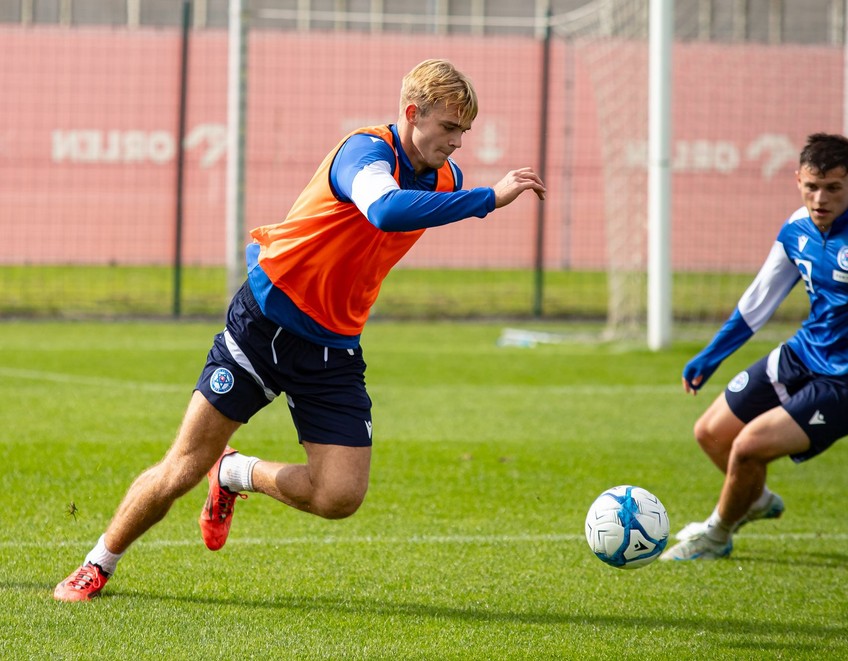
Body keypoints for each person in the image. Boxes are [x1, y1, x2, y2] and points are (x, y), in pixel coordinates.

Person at [54, 58, 546, 600]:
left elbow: (409, 211)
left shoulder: (446, 178)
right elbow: (383, 210)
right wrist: (487, 199)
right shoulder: (363, 152)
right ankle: (98, 563)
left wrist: (470, 196)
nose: (457, 144)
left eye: (464, 132)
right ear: (412, 114)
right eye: (449, 128)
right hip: (263, 325)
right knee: (182, 467)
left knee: (340, 496)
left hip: (333, 346)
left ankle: (237, 474)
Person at [660, 133, 848, 561]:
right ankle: (756, 501)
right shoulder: (797, 228)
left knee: (747, 447)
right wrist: (713, 354)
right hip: (804, 354)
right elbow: (759, 299)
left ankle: (716, 536)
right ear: (797, 179)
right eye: (811, 187)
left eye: (833, 188)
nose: (820, 199)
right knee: (710, 433)